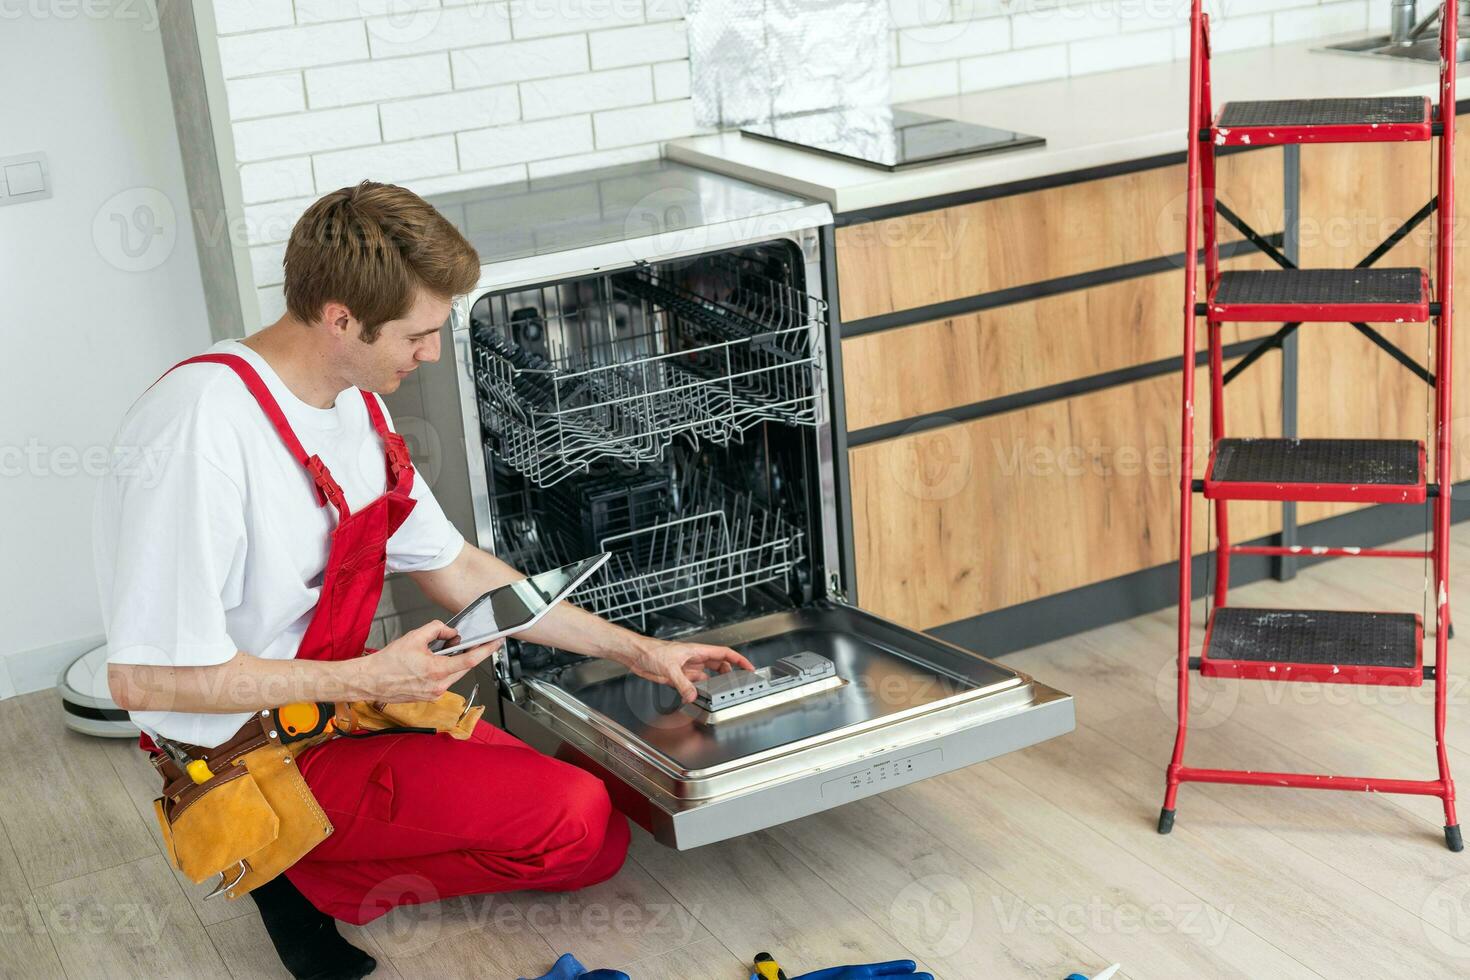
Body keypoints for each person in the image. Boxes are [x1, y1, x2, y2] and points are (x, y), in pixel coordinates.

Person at [93, 180, 755, 980]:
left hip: (338, 711)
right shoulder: (200, 429)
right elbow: (144, 677)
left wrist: (641, 651)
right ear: (340, 316)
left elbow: (456, 567)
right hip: (251, 753)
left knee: (596, 833)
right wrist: (372, 673)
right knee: (580, 823)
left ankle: (316, 855)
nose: (434, 353)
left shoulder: (353, 404)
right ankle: (290, 867)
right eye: (420, 333)